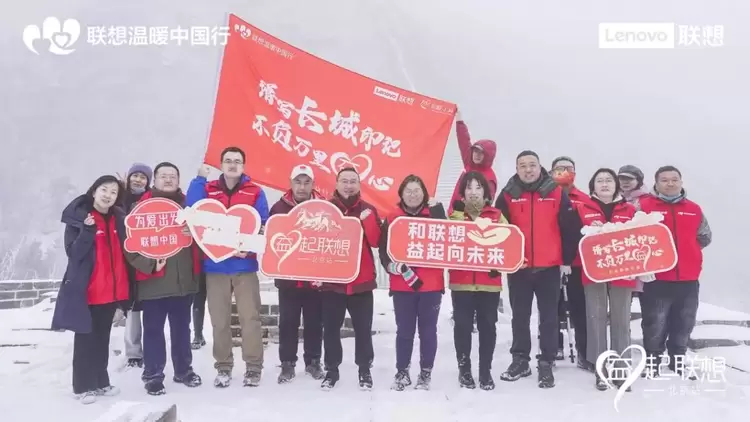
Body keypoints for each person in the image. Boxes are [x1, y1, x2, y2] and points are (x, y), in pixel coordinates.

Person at [185, 146, 270, 388]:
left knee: (250, 318)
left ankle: (253, 367)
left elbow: (262, 224)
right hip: (215, 266)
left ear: (243, 166)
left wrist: (249, 248)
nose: (233, 164)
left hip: (244, 265)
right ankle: (223, 366)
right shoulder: (209, 189)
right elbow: (193, 210)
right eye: (228, 160)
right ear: (221, 165)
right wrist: (200, 178)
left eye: (237, 161)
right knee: (219, 320)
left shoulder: (255, 191)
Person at [494, 150, 578, 389]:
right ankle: (520, 360)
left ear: (540, 168)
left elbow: (570, 228)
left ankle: (547, 361)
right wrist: (503, 260)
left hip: (549, 267)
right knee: (519, 316)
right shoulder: (508, 194)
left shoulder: (556, 192)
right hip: (519, 267)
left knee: (549, 317)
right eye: (522, 165)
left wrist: (566, 260)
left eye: (532, 165)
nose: (528, 169)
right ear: (517, 169)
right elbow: (498, 229)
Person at [52, 175, 130, 405]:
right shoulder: (79, 218)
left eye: (113, 192)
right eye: (104, 190)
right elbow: (74, 254)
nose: (108, 195)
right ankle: (83, 386)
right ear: (94, 191)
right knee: (85, 340)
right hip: (88, 291)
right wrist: (87, 231)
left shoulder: (118, 218)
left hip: (111, 292)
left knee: (102, 339)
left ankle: (101, 381)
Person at [126, 163, 203, 395]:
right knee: (153, 331)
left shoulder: (191, 206)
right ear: (155, 180)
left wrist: (196, 232)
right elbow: (129, 247)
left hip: (183, 281)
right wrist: (149, 265)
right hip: (154, 282)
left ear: (178, 180)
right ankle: (153, 375)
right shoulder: (140, 207)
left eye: (173, 176)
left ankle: (183, 370)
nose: (168, 180)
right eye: (163, 176)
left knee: (182, 330)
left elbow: (208, 237)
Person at [638, 166, 712, 377]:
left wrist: (688, 252)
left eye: (674, 179)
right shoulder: (643, 207)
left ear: (681, 182)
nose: (670, 183)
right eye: (664, 180)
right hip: (657, 278)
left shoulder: (694, 209)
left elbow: (705, 237)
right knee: (655, 322)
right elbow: (633, 238)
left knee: (684, 322)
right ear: (656, 183)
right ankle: (652, 361)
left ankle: (678, 360)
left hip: (688, 278)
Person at [379, 175, 447, 391]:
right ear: (401, 194)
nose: (412, 195)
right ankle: (402, 371)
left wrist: (438, 211)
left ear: (424, 193)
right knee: (404, 331)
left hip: (431, 285)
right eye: (408, 191)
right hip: (403, 286)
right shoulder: (393, 218)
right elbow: (384, 251)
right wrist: (394, 268)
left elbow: (447, 239)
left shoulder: (434, 213)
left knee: (428, 331)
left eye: (417, 190)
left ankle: (426, 373)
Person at [320, 167, 382, 390]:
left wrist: (368, 222)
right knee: (330, 329)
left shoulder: (368, 209)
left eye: (353, 181)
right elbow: (316, 242)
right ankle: (331, 371)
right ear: (336, 184)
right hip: (332, 283)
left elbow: (376, 241)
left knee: (363, 329)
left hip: (361, 282)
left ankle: (364, 370)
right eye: (344, 181)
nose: (348, 185)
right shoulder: (325, 209)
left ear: (359, 185)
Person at [575, 168, 637, 390]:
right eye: (599, 180)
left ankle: (621, 370)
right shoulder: (581, 208)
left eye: (609, 180)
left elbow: (640, 237)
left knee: (621, 321)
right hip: (594, 271)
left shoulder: (630, 210)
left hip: (623, 271)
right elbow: (572, 238)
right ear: (592, 186)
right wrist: (587, 232)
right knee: (596, 319)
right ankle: (600, 369)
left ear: (616, 185)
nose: (604, 184)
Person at [448, 171, 507, 390]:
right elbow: (445, 242)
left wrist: (498, 265)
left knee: (488, 326)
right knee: (462, 326)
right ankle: (464, 370)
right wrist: (454, 215)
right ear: (462, 192)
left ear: (486, 192)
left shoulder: (497, 216)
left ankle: (485, 371)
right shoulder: (454, 215)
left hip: (488, 283)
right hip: (461, 282)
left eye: (478, 187)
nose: (473, 192)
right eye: (469, 187)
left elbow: (509, 243)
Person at [271, 165, 326, 384]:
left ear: (313, 184)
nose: (302, 187)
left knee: (315, 322)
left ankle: (313, 361)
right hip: (288, 279)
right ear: (290, 183)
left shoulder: (324, 207)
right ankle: (287, 363)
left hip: (315, 279)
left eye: (306, 182)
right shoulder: (279, 208)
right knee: (288, 322)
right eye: (298, 182)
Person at [548, 156, 589, 368]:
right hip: (550, 261)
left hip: (577, 264)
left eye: (568, 168)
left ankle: (584, 351)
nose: (564, 172)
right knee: (551, 308)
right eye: (559, 169)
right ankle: (554, 347)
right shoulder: (545, 195)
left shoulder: (583, 198)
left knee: (579, 309)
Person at [121, 163, 153, 369]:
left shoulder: (151, 200)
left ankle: (151, 349)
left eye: (143, 177)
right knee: (131, 308)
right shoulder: (119, 198)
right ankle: (133, 352)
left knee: (148, 307)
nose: (138, 180)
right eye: (135, 176)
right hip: (124, 259)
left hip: (146, 257)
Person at [447, 110, 498, 214]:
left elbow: (486, 205)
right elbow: (464, 141)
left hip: (469, 218)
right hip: (453, 214)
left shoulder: (490, 179)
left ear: (488, 156)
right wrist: (459, 121)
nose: (477, 155)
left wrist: (463, 210)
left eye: (481, 153)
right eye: (475, 151)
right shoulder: (469, 162)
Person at [191, 273, 207, 349]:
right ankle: (198, 335)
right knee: (198, 301)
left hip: (214, 271)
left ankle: (198, 336)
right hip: (199, 272)